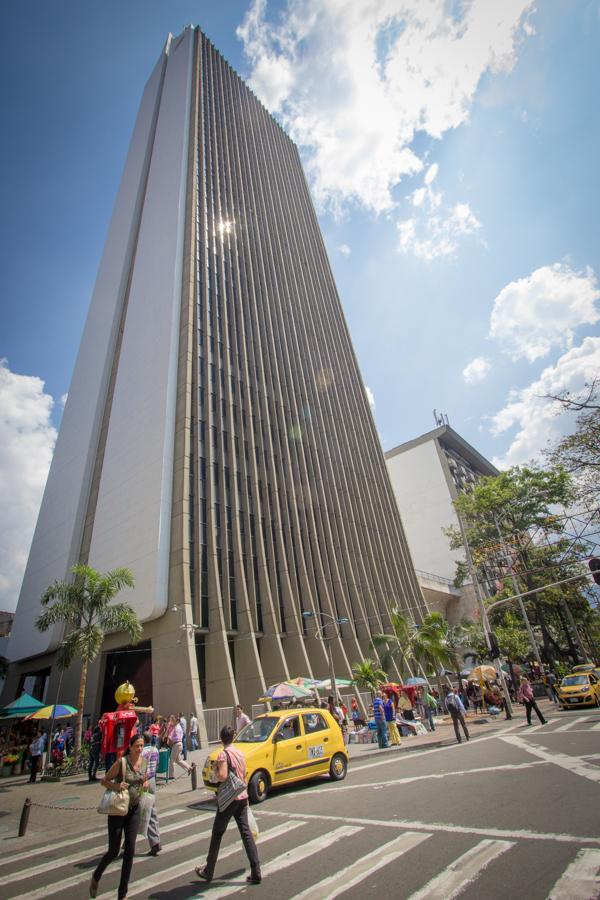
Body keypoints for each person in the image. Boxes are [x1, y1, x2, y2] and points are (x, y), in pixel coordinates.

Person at [195, 725, 261, 885]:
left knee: (217, 833)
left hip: (229, 799)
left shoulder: (223, 755)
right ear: (233, 736)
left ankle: (208, 870)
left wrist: (216, 772)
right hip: (242, 796)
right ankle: (256, 870)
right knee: (246, 834)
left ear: (221, 738)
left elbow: (223, 775)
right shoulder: (239, 752)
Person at [90, 734, 150, 899]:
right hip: (118, 810)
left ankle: (122, 893)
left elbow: (144, 780)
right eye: (137, 745)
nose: (139, 749)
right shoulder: (121, 763)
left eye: (142, 746)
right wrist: (116, 785)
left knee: (130, 850)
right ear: (129, 747)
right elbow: (104, 781)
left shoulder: (144, 763)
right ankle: (97, 875)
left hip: (134, 809)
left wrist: (145, 783)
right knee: (114, 850)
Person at [142, 731, 161, 856]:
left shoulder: (142, 752)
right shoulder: (155, 750)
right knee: (151, 810)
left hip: (144, 782)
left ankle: (154, 842)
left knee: (143, 812)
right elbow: (157, 765)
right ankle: (155, 841)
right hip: (153, 780)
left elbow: (140, 768)